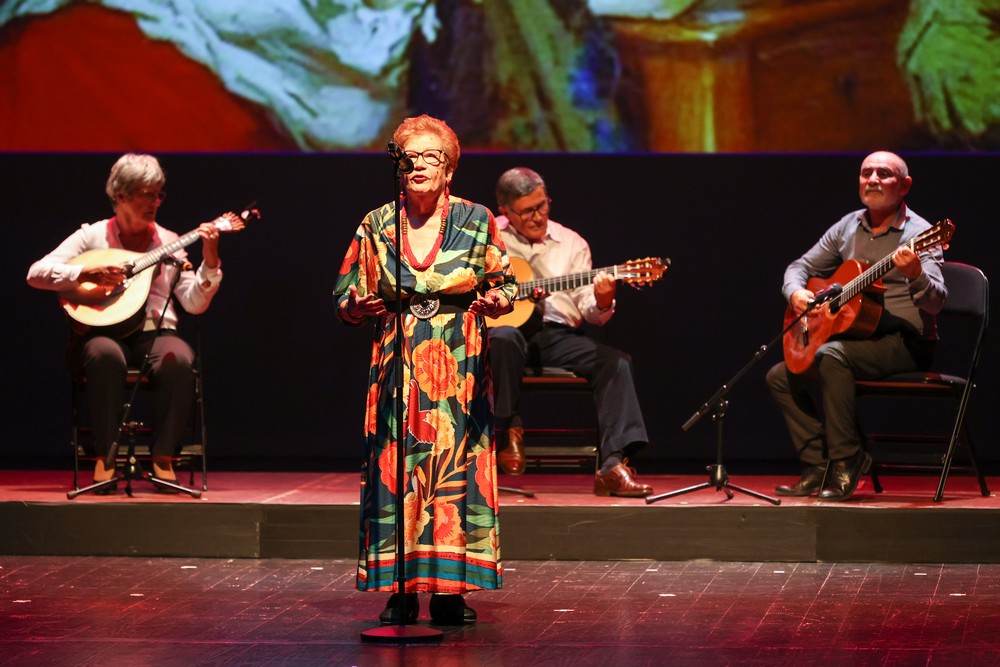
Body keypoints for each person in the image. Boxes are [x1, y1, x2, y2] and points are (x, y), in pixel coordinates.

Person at [333, 115, 517, 626]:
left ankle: (450, 590)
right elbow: (344, 293)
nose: (418, 165)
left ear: (449, 169)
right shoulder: (377, 223)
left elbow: (504, 283)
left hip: (458, 363)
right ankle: (401, 588)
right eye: (409, 157)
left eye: (430, 157)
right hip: (398, 359)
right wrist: (356, 306)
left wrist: (498, 301)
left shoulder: (478, 219)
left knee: (455, 471)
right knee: (398, 467)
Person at [27, 153, 236, 494]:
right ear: (121, 195)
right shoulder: (92, 237)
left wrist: (210, 259)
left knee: (179, 359)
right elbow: (36, 273)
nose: (156, 202)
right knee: (104, 356)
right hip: (103, 331)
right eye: (147, 194)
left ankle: (164, 458)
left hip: (155, 332)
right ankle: (105, 457)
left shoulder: (169, 241)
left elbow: (194, 303)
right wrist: (85, 272)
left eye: (159, 194)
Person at [765, 151, 947, 501]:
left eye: (884, 173)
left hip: (906, 343)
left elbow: (936, 302)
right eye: (866, 173)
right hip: (857, 339)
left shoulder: (921, 234)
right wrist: (796, 292)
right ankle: (817, 466)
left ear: (905, 186)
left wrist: (915, 274)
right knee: (780, 376)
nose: (873, 179)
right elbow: (799, 266)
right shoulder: (849, 225)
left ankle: (848, 459)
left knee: (833, 355)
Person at [489, 167, 653, 497]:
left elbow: (591, 311)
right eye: (526, 211)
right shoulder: (488, 236)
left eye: (542, 206)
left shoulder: (572, 243)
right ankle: (507, 431)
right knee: (503, 338)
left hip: (555, 334)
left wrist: (603, 300)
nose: (537, 217)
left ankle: (612, 466)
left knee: (615, 363)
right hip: (503, 333)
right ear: (505, 211)